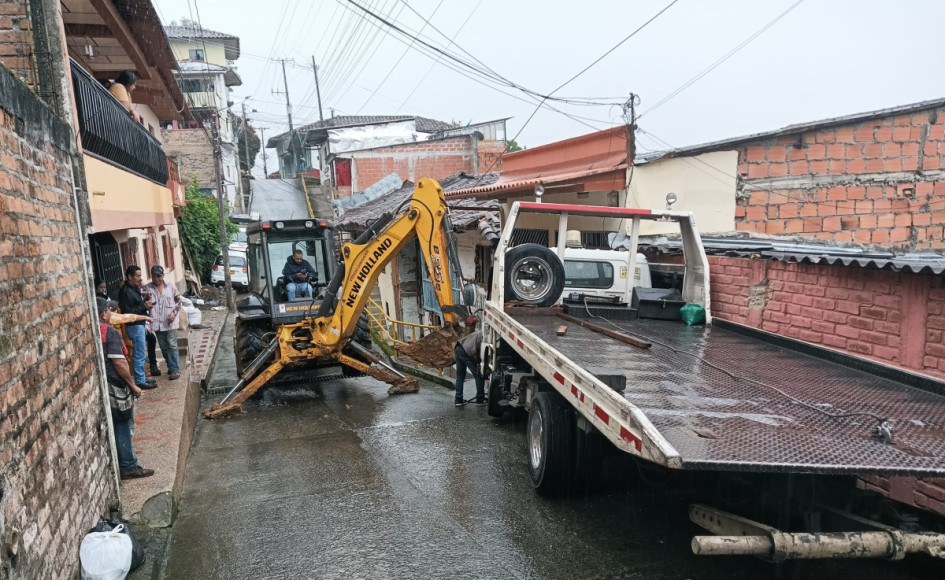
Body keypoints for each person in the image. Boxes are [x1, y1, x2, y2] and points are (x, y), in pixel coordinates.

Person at [97, 297, 154, 480]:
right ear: (102, 314)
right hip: (116, 384)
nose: (111, 314)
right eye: (108, 311)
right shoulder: (109, 332)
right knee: (123, 423)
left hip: (105, 383)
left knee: (117, 424)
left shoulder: (94, 331)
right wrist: (133, 385)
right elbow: (119, 363)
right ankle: (128, 465)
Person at [117, 265, 157, 390]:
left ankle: (142, 378)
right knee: (139, 354)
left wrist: (146, 299)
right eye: (138, 276)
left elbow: (137, 303)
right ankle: (140, 380)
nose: (140, 278)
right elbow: (128, 312)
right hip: (134, 325)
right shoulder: (125, 291)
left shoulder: (134, 288)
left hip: (139, 324)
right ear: (130, 277)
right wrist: (144, 306)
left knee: (141, 352)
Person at [144, 265, 182, 380]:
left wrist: (173, 313)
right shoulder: (147, 289)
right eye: (154, 276)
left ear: (163, 276)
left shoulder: (170, 287)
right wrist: (146, 302)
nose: (157, 279)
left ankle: (175, 370)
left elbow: (179, 301)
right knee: (164, 347)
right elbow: (143, 304)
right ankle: (170, 366)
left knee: (172, 344)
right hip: (157, 323)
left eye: (159, 276)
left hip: (170, 322)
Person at [454, 316, 485, 407]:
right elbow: (477, 352)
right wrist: (478, 363)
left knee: (460, 377)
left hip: (458, 348)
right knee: (478, 376)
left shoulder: (475, 333)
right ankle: (480, 399)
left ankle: (458, 399)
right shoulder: (481, 336)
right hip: (465, 352)